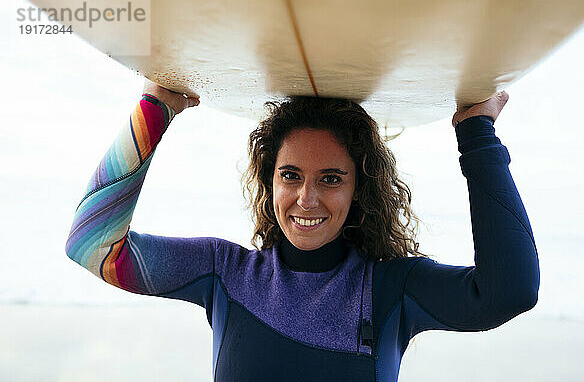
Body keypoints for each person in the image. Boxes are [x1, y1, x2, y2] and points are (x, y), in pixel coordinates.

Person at [65, 79, 540, 381]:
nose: (306, 199)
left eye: (330, 179)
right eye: (290, 175)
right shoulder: (224, 272)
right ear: (269, 180)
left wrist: (477, 135)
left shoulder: (391, 287)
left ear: (360, 189)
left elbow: (509, 291)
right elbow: (92, 245)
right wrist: (154, 109)